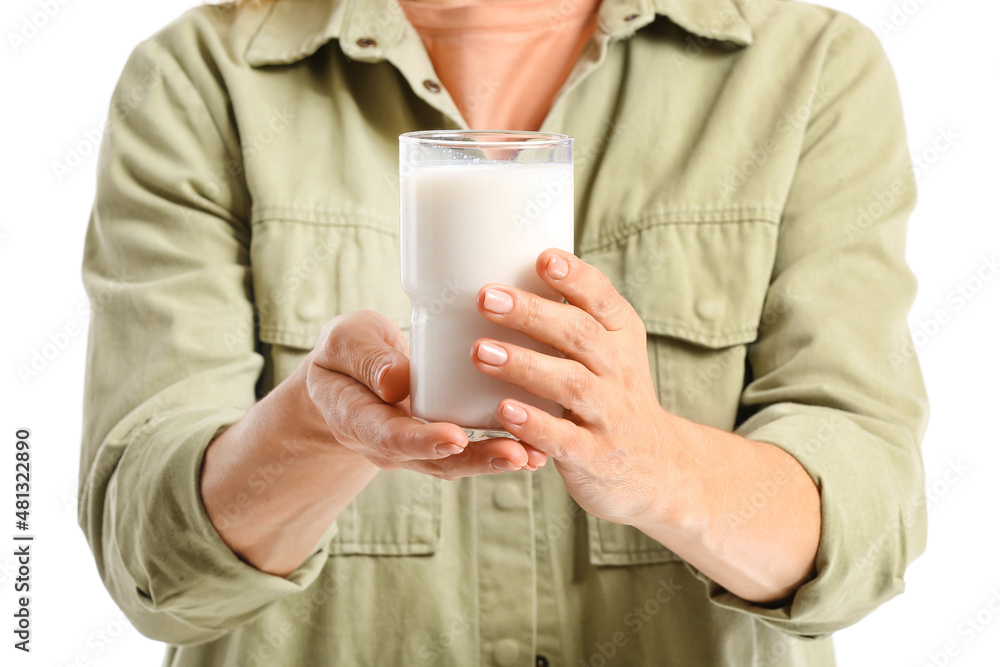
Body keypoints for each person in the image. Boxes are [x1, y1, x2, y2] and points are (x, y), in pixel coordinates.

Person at [78, 0, 929, 664]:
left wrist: (658, 465)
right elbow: (152, 561)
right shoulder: (199, 79)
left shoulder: (807, 71)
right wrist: (316, 423)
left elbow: (866, 524)